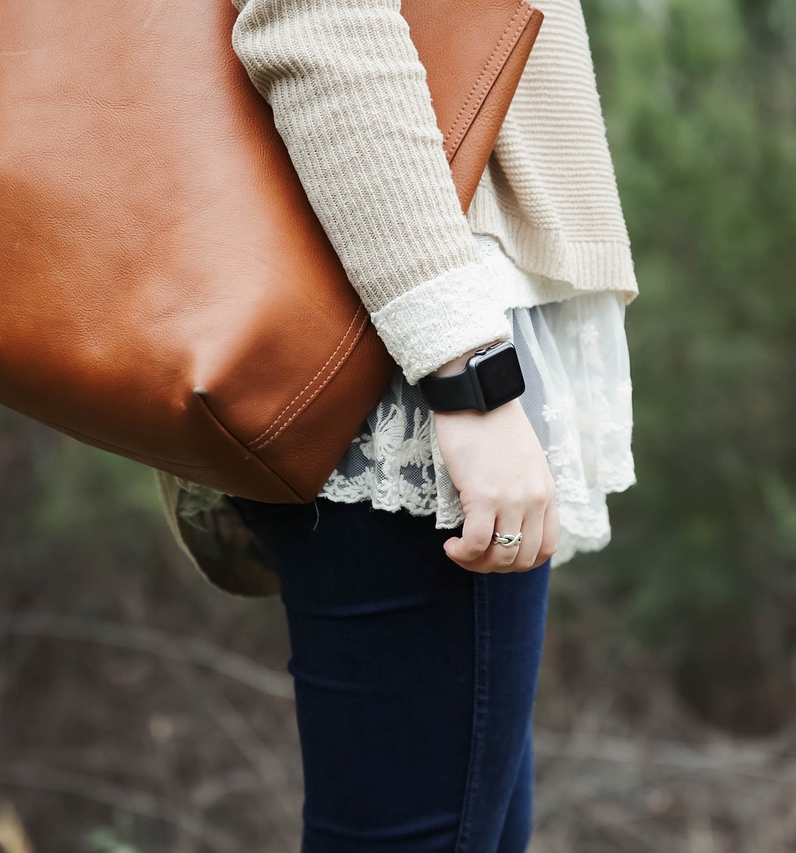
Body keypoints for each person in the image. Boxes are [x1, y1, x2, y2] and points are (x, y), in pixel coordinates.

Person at [153, 0, 639, 849]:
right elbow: (314, 19)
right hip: (408, 358)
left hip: (411, 329)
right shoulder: (451, 376)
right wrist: (468, 378)